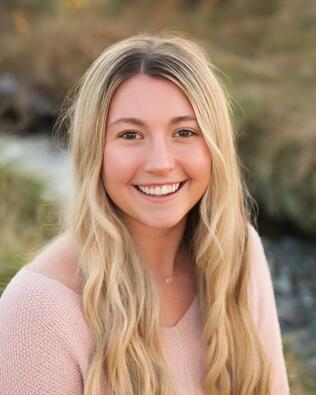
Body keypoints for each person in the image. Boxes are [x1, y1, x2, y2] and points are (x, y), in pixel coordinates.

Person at [0, 32, 290, 395]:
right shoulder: (38, 311)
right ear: (94, 150)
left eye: (184, 132)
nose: (160, 163)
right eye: (130, 135)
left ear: (215, 147)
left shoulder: (238, 252)